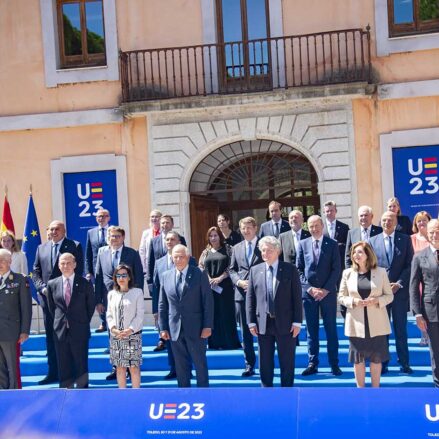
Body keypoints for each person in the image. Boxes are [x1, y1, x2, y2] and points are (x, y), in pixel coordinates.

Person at [246, 236, 302, 387]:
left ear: (277, 251)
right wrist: (251, 322)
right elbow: (250, 298)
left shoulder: (290, 269)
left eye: (269, 250)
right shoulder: (255, 271)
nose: (265, 253)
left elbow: (297, 297)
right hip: (263, 324)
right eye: (263, 250)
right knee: (265, 361)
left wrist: (297, 322)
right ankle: (266, 390)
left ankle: (287, 391)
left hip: (286, 323)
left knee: (287, 360)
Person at [33, 220, 84, 385]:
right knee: (51, 337)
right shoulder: (42, 248)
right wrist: (41, 287)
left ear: (64, 230)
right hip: (47, 301)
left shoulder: (74, 245)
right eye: (51, 229)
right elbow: (36, 271)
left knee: (71, 338)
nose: (53, 232)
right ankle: (53, 372)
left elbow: (80, 271)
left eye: (57, 229)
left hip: (68, 302)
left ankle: (75, 373)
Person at [338, 242, 393, 387]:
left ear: (368, 254)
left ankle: (376, 389)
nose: (356, 255)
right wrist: (353, 301)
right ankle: (360, 391)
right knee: (358, 359)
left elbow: (389, 296)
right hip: (356, 324)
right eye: (354, 252)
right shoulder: (347, 273)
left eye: (360, 252)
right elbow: (341, 297)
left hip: (377, 323)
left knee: (376, 359)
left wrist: (377, 301)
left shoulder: (381, 272)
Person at [159, 244, 213, 388]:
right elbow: (162, 304)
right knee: (180, 365)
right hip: (174, 328)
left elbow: (208, 302)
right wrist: (163, 328)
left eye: (181, 256)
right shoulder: (165, 276)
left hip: (196, 328)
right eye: (175, 256)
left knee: (199, 363)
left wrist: (207, 326)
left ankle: (203, 393)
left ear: (188, 257)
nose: (178, 259)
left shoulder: (199, 273)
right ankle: (184, 393)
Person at [94, 225, 143, 380]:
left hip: (129, 299)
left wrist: (137, 296)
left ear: (122, 238)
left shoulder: (132, 253)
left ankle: (130, 367)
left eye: (116, 236)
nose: (113, 239)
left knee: (130, 331)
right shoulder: (102, 252)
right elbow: (98, 276)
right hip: (110, 298)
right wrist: (98, 300)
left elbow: (139, 276)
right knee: (113, 331)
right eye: (110, 236)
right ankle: (117, 367)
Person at [296, 215, 342, 376]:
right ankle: (312, 363)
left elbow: (337, 269)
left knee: (331, 330)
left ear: (322, 226)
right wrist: (310, 289)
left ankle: (334, 364)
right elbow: (299, 270)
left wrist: (325, 290)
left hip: (328, 294)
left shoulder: (332, 244)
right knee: (311, 331)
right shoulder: (302, 244)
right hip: (309, 295)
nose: (314, 229)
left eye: (316, 225)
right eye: (311, 226)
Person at [370, 211, 414, 374]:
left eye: (390, 220)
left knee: (400, 328)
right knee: (382, 330)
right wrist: (383, 285)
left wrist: (399, 283)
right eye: (384, 220)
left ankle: (404, 362)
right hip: (381, 294)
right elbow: (370, 267)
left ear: (396, 222)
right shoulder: (372, 241)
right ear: (380, 222)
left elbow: (409, 265)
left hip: (399, 293)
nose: (387, 222)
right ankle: (384, 362)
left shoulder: (405, 239)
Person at [152, 231, 197, 379]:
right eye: (167, 239)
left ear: (179, 241)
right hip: (170, 311)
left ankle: (188, 369)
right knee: (171, 341)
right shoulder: (159, 263)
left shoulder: (190, 260)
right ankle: (174, 368)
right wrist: (156, 310)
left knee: (188, 343)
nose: (169, 242)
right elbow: (157, 287)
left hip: (189, 311)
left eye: (173, 239)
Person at [46, 253, 95, 388]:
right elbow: (52, 308)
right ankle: (66, 394)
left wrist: (80, 321)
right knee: (63, 363)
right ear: (58, 266)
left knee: (80, 363)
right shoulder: (52, 284)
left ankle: (82, 392)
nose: (65, 266)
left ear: (75, 264)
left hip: (79, 329)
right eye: (62, 263)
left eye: (68, 263)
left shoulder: (85, 283)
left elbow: (90, 307)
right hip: (60, 331)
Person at [147, 214, 186, 352]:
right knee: (167, 333)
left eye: (167, 223)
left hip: (182, 302)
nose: (164, 225)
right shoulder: (155, 246)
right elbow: (151, 265)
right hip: (165, 299)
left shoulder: (184, 255)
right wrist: (155, 307)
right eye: (162, 223)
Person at [229, 217, 262, 377]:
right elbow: (232, 269)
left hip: (261, 295)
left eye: (249, 227)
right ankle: (249, 365)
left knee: (263, 331)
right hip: (241, 295)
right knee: (245, 332)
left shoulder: (264, 245)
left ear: (255, 228)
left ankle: (265, 364)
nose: (246, 231)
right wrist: (239, 281)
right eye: (243, 228)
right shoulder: (236, 248)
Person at [199, 227, 241, 350]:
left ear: (220, 236)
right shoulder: (205, 252)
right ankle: (215, 343)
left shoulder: (228, 249)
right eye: (211, 236)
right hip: (210, 288)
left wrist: (220, 278)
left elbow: (232, 266)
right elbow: (201, 266)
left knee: (226, 314)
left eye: (215, 235)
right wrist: (208, 278)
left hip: (225, 287)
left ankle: (230, 342)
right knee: (213, 314)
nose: (213, 238)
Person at [410, 219, 439, 387]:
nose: (435, 235)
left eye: (438, 231)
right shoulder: (419, 257)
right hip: (431, 311)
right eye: (432, 232)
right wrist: (418, 313)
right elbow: (413, 287)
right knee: (436, 351)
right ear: (427, 234)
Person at [107, 264, 145, 389]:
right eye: (118, 275)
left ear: (129, 277)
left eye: (124, 275)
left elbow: (139, 315)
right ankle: (122, 396)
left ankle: (135, 395)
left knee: (133, 367)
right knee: (120, 368)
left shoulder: (137, 292)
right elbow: (109, 315)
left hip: (132, 336)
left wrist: (130, 330)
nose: (121, 278)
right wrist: (113, 329)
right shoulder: (111, 294)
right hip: (117, 336)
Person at [0, 249, 32, 389]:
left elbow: (26, 308)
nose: (0, 264)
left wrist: (25, 330)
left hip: (11, 331)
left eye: (2, 261)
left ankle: (15, 396)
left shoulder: (19, 279)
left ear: (10, 262)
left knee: (12, 368)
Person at [84, 208, 111, 333]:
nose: (101, 218)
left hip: (111, 270)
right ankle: (103, 321)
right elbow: (88, 253)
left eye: (104, 216)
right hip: (96, 271)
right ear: (96, 218)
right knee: (98, 296)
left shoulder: (114, 231)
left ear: (109, 218)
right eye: (99, 216)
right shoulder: (91, 232)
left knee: (109, 296)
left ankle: (110, 321)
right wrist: (88, 271)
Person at [410, 210, 433, 345]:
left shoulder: (434, 237)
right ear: (415, 224)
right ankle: (424, 335)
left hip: (432, 278)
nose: (422, 223)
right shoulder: (411, 239)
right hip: (418, 279)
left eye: (424, 220)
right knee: (421, 307)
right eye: (419, 221)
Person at [322, 200, 350, 273]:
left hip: (340, 263)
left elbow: (348, 245)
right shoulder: (320, 228)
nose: (330, 213)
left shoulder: (344, 227)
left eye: (332, 210)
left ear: (336, 211)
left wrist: (338, 245)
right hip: (325, 264)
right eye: (327, 211)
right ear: (324, 212)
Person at [139, 209, 162, 286]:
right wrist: (144, 268)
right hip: (150, 264)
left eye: (156, 217)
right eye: (152, 217)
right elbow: (142, 250)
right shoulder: (146, 233)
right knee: (152, 287)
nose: (154, 219)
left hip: (161, 262)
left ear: (161, 218)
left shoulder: (165, 232)